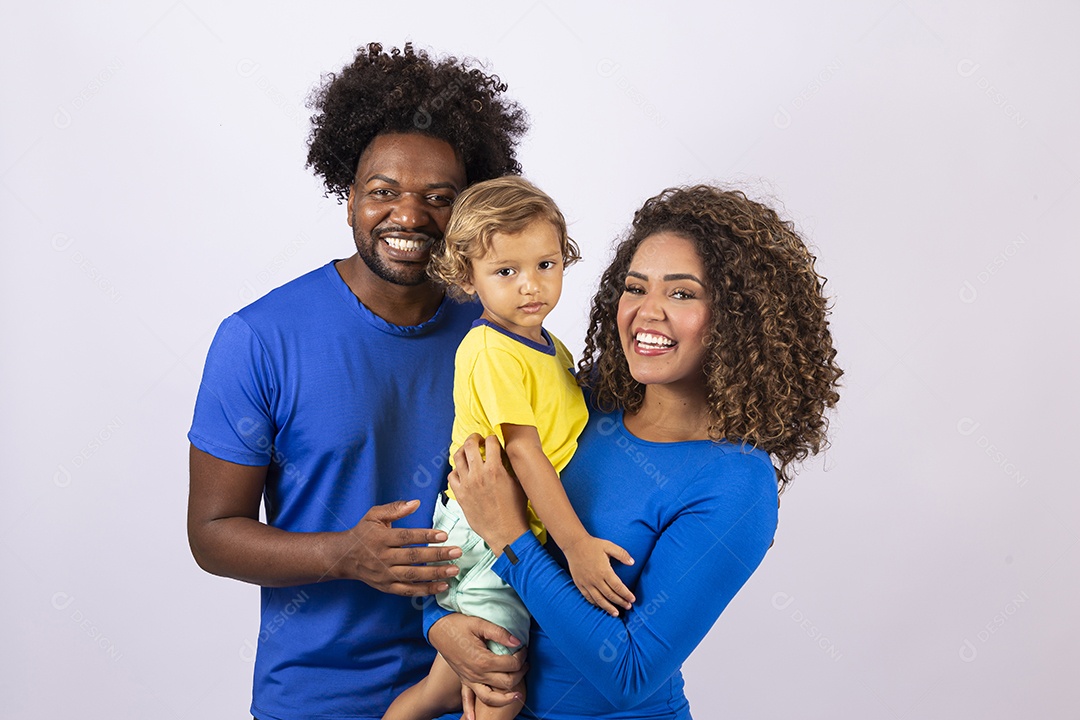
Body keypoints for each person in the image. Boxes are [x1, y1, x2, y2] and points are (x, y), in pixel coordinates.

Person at [185, 42, 533, 720]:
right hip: (319, 699)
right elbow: (213, 532)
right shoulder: (259, 339)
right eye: (383, 192)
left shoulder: (501, 334)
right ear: (347, 198)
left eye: (439, 198)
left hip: (479, 689)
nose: (409, 216)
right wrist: (344, 554)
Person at [441, 185, 843, 718]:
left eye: (681, 294)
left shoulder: (736, 486)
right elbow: (460, 539)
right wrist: (441, 625)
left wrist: (509, 539)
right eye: (636, 288)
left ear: (737, 316)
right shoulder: (582, 408)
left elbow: (627, 672)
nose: (648, 312)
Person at [385, 176, 636, 720]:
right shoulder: (490, 350)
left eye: (545, 265)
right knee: (504, 681)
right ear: (468, 278)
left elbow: (566, 417)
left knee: (443, 691)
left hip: (500, 528)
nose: (531, 286)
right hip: (481, 530)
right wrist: (574, 545)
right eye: (506, 272)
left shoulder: (546, 345)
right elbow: (524, 452)